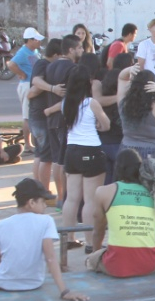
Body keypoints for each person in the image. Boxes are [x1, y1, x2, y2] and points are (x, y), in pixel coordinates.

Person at [0, 178, 88, 301]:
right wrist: (64, 291)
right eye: (43, 202)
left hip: (3, 283)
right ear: (31, 203)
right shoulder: (46, 221)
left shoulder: (0, 225)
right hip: (34, 282)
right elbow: (50, 258)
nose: (45, 205)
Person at [87, 149, 155, 278]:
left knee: (89, 261)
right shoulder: (153, 191)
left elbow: (98, 231)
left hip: (118, 266)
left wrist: (95, 255)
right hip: (149, 264)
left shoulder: (104, 192)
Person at [60, 66, 111, 251]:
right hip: (90, 149)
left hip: (71, 150)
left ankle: (68, 238)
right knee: (90, 200)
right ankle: (90, 242)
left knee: (72, 198)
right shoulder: (91, 103)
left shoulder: (66, 102)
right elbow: (106, 125)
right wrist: (97, 124)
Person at [43, 35, 83, 203]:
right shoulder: (73, 69)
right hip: (64, 119)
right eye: (80, 47)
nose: (82, 50)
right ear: (71, 50)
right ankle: (65, 198)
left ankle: (61, 197)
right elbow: (72, 98)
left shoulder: (51, 67)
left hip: (52, 120)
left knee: (57, 161)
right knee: (64, 161)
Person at [95, 51, 134, 186]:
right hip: (119, 144)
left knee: (105, 182)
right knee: (118, 183)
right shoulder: (126, 102)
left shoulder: (101, 102)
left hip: (102, 143)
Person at [27, 39, 61, 192]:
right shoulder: (43, 65)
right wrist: (53, 88)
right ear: (55, 54)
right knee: (46, 157)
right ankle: (44, 191)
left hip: (37, 115)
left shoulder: (44, 65)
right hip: (40, 116)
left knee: (40, 154)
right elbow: (35, 85)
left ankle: (38, 189)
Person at [8, 28, 45, 153]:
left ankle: (33, 142)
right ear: (29, 40)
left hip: (32, 83)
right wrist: (21, 73)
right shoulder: (23, 52)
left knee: (33, 114)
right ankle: (28, 144)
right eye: (37, 40)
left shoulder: (34, 51)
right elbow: (11, 64)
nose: (39, 42)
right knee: (27, 116)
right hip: (27, 84)